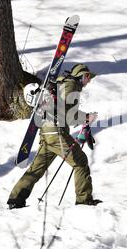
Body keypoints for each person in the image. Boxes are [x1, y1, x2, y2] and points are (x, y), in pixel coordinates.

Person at [7, 64, 101, 209]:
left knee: (37, 169)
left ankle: (16, 199)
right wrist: (86, 117)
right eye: (88, 77)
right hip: (57, 133)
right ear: (83, 75)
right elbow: (69, 115)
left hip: (47, 133)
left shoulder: (62, 84)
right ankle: (84, 200)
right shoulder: (71, 86)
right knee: (81, 161)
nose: (89, 81)